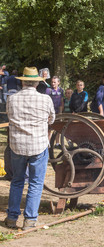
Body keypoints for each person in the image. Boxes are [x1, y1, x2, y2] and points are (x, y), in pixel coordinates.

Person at [4, 67, 55, 230]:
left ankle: (12, 218)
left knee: (17, 181)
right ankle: (30, 220)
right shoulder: (46, 99)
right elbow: (52, 119)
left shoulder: (11, 99)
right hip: (38, 145)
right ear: (36, 83)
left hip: (17, 146)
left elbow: (9, 117)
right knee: (36, 182)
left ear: (23, 82)